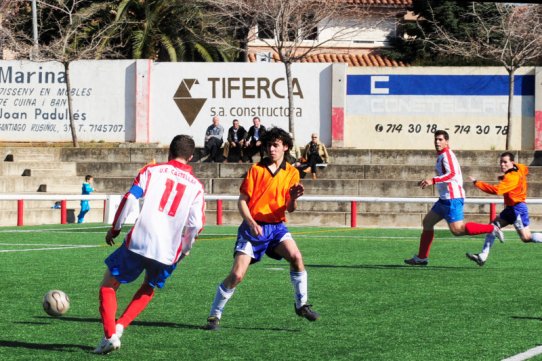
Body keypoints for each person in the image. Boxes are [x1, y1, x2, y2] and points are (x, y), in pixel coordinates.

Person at [94, 135, 205, 354]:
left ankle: (110, 335)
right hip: (169, 250)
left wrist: (115, 228)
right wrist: (185, 248)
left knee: (108, 285)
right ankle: (120, 326)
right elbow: (196, 224)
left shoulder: (151, 171)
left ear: (169, 152)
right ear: (191, 157)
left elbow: (130, 198)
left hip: (140, 241)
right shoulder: (197, 187)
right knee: (149, 285)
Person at [203, 127, 319, 331]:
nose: (271, 149)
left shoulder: (292, 172)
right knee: (237, 275)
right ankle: (214, 315)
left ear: (285, 147)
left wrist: (293, 198)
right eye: (268, 145)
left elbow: (290, 209)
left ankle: (301, 305)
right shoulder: (256, 170)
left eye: (275, 145)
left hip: (276, 228)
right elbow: (242, 201)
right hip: (253, 228)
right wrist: (250, 221)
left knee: (296, 257)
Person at [404, 130, 504, 266]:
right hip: (444, 199)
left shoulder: (447, 156)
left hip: (452, 199)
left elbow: (452, 174)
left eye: (440, 139)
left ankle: (492, 229)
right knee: (427, 223)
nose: (437, 142)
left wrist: (432, 180)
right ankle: (422, 258)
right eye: (436, 139)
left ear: (447, 141)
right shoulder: (442, 156)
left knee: (457, 230)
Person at [466, 152, 542, 266]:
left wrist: (477, 183)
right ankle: (482, 256)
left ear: (511, 162)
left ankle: (483, 255)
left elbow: (496, 190)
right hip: (511, 208)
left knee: (526, 237)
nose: (502, 164)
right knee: (492, 226)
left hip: (517, 209)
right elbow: (526, 170)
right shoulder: (519, 167)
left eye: (505, 162)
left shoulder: (511, 177)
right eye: (501, 162)